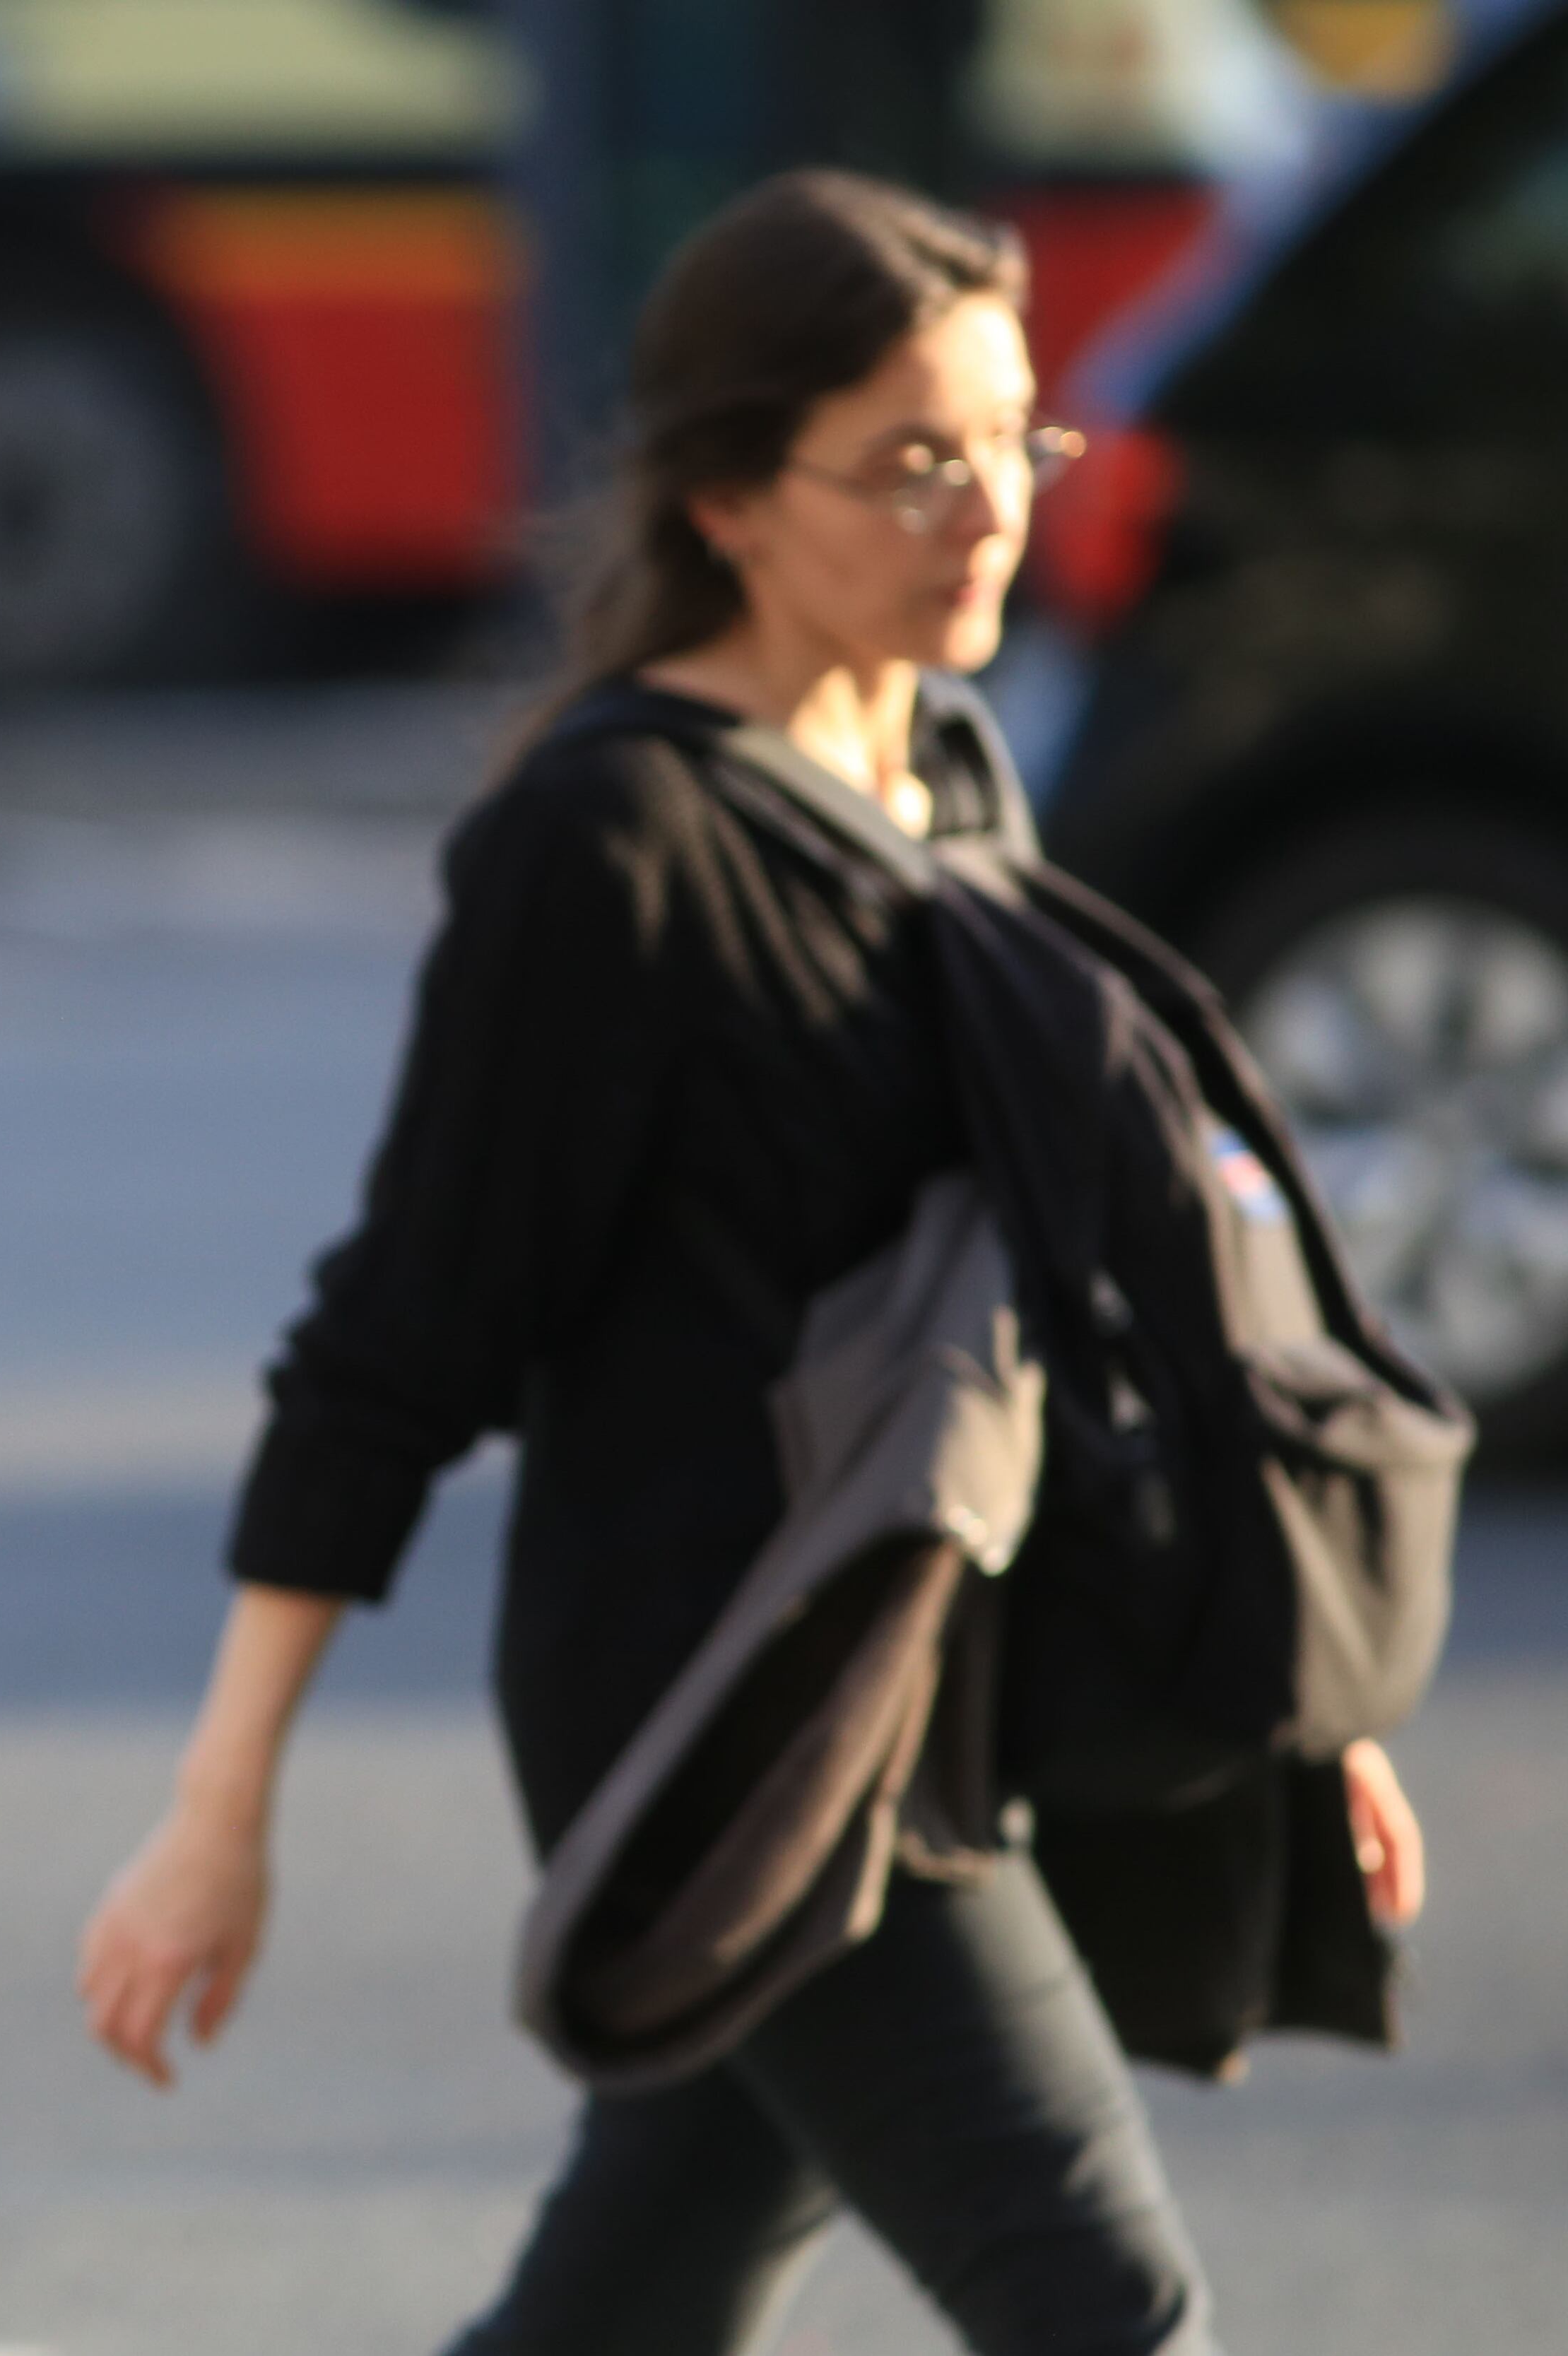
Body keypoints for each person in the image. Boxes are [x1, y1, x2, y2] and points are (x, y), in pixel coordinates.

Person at [73, 171, 1429, 2356]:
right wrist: (216, 1816)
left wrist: (1290, 1705)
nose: (988, 506)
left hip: (945, 1661)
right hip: (746, 1720)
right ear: (723, 494)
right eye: (914, 461)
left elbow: (1069, 1289)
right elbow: (395, 1344)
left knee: (641, 2298)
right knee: (1103, 2301)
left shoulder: (952, 769)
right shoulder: (606, 853)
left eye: (1014, 440)